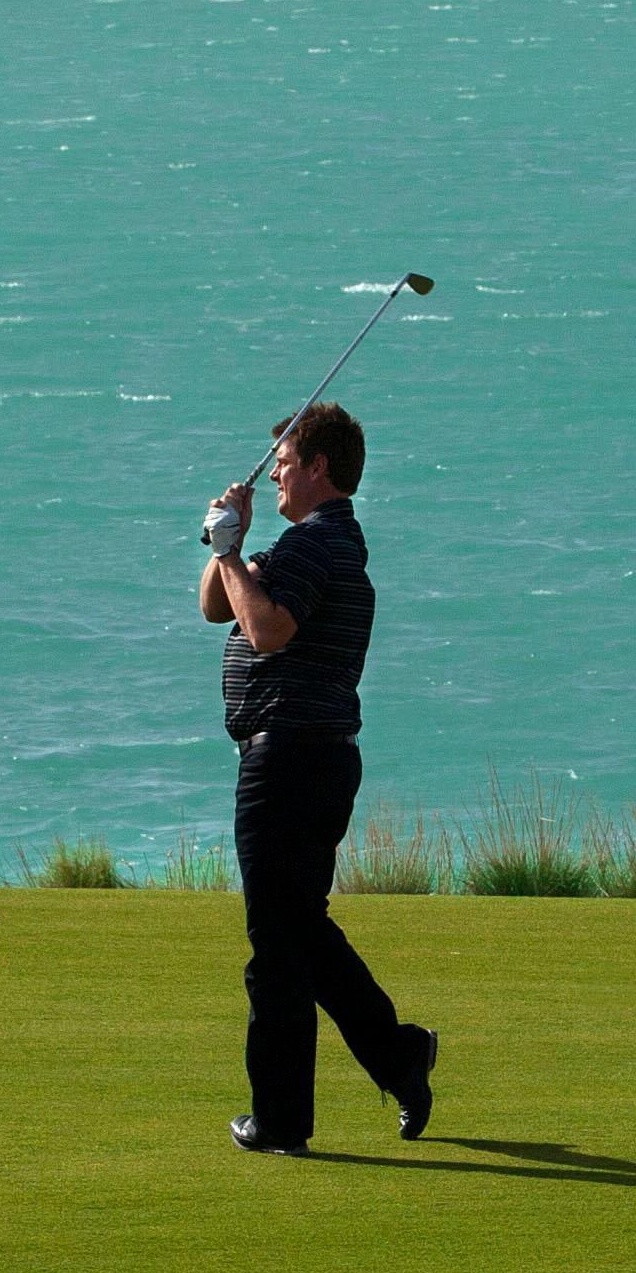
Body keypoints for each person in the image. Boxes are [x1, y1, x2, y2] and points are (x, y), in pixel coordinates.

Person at [202, 402, 438, 1155]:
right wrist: (223, 544)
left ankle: (280, 1120)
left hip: (291, 760)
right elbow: (218, 609)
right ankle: (398, 1055)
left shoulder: (315, 545)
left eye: (286, 459)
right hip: (309, 758)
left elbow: (266, 630)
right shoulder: (310, 543)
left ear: (319, 470)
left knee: (276, 943)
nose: (273, 469)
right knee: (300, 931)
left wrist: (239, 554)